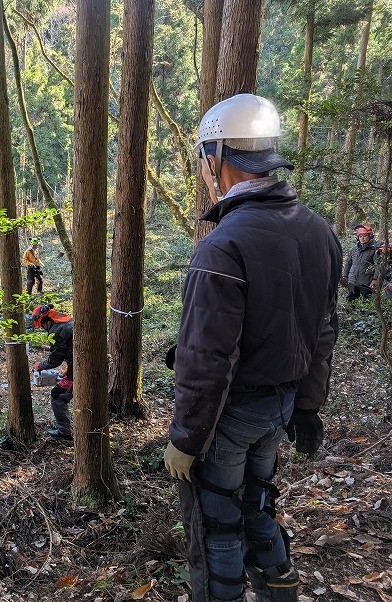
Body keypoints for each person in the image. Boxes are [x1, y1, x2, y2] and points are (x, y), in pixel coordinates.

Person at [163, 94, 342, 602]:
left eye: (204, 159)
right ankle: (280, 589)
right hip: (280, 406)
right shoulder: (318, 231)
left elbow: (206, 357)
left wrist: (187, 437)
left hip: (232, 413)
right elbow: (323, 332)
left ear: (216, 158)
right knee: (258, 503)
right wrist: (307, 407)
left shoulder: (222, 246)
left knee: (218, 518)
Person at [31, 304, 73, 439]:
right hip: (83, 365)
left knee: (57, 395)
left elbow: (54, 360)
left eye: (43, 326)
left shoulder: (56, 331)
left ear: (46, 321)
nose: (44, 330)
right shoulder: (69, 322)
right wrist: (69, 369)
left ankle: (64, 432)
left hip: (82, 370)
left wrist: (40, 366)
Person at [343, 225, 379, 301]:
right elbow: (348, 263)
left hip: (366, 281)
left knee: (367, 300)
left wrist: (375, 279)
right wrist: (345, 276)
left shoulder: (374, 249)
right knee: (351, 300)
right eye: (360, 236)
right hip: (352, 280)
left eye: (365, 236)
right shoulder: (354, 249)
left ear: (370, 236)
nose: (362, 238)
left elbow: (378, 265)